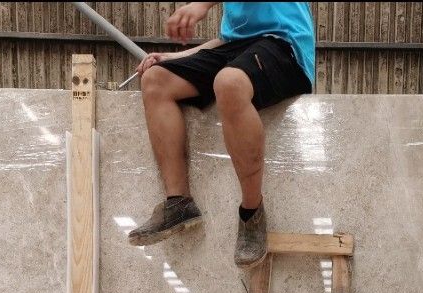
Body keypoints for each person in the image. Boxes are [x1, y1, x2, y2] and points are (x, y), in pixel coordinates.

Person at [127, 2, 316, 269]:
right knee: (155, 79)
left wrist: (201, 4)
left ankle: (252, 213)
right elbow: (228, 43)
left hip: (285, 48)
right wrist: (172, 57)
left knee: (229, 82)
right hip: (239, 52)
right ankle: (178, 203)